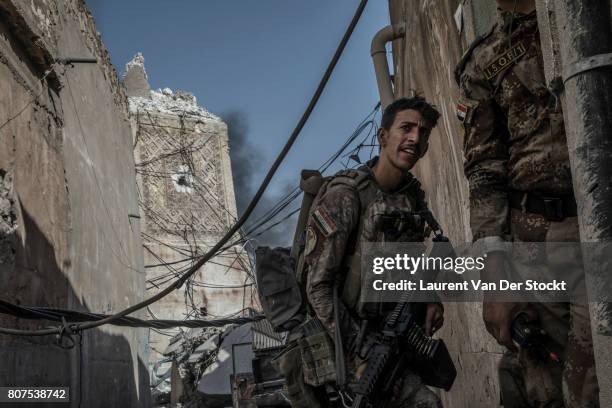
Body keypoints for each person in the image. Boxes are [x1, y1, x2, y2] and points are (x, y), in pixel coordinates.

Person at [455, 0, 599, 406]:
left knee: (594, 382)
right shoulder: (482, 61)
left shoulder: (584, 15)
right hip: (534, 241)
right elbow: (484, 171)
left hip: (598, 221)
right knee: (543, 384)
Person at [290, 96, 444, 408]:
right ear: (384, 137)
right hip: (350, 350)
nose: (415, 138)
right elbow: (318, 287)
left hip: (394, 339)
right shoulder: (345, 196)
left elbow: (409, 264)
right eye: (406, 128)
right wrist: (361, 351)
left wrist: (430, 298)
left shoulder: (410, 196)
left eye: (423, 132)